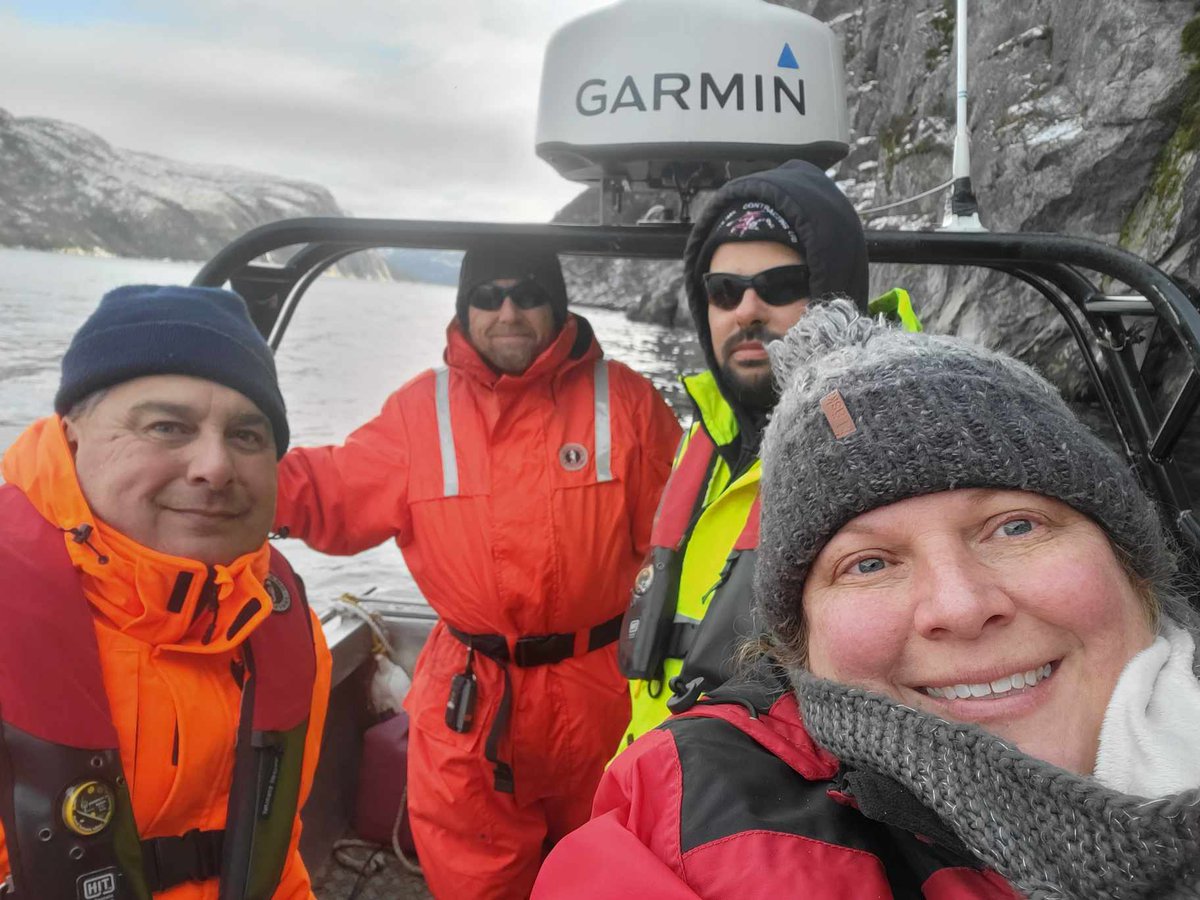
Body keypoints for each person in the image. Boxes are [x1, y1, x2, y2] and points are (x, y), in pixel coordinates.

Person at [536, 298, 1200, 898]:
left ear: (1131, 561)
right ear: (800, 641)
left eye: (1016, 526)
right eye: (869, 562)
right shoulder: (686, 830)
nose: (961, 605)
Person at [274, 244, 680, 899]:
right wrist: (233, 482)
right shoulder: (418, 412)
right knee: (473, 880)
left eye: (527, 294)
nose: (508, 311)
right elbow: (332, 488)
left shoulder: (629, 403)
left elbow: (691, 529)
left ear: (557, 307)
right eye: (487, 297)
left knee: (614, 871)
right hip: (469, 697)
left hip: (602, 692)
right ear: (465, 311)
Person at [0, 285, 332, 899]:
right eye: (167, 426)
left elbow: (277, 863)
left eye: (248, 435)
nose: (215, 465)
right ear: (72, 437)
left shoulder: (279, 622)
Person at [618, 159, 876, 747]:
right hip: (663, 782)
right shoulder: (709, 433)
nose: (747, 309)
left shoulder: (882, 440)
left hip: (759, 813)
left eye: (782, 286)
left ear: (834, 293)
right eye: (724, 290)